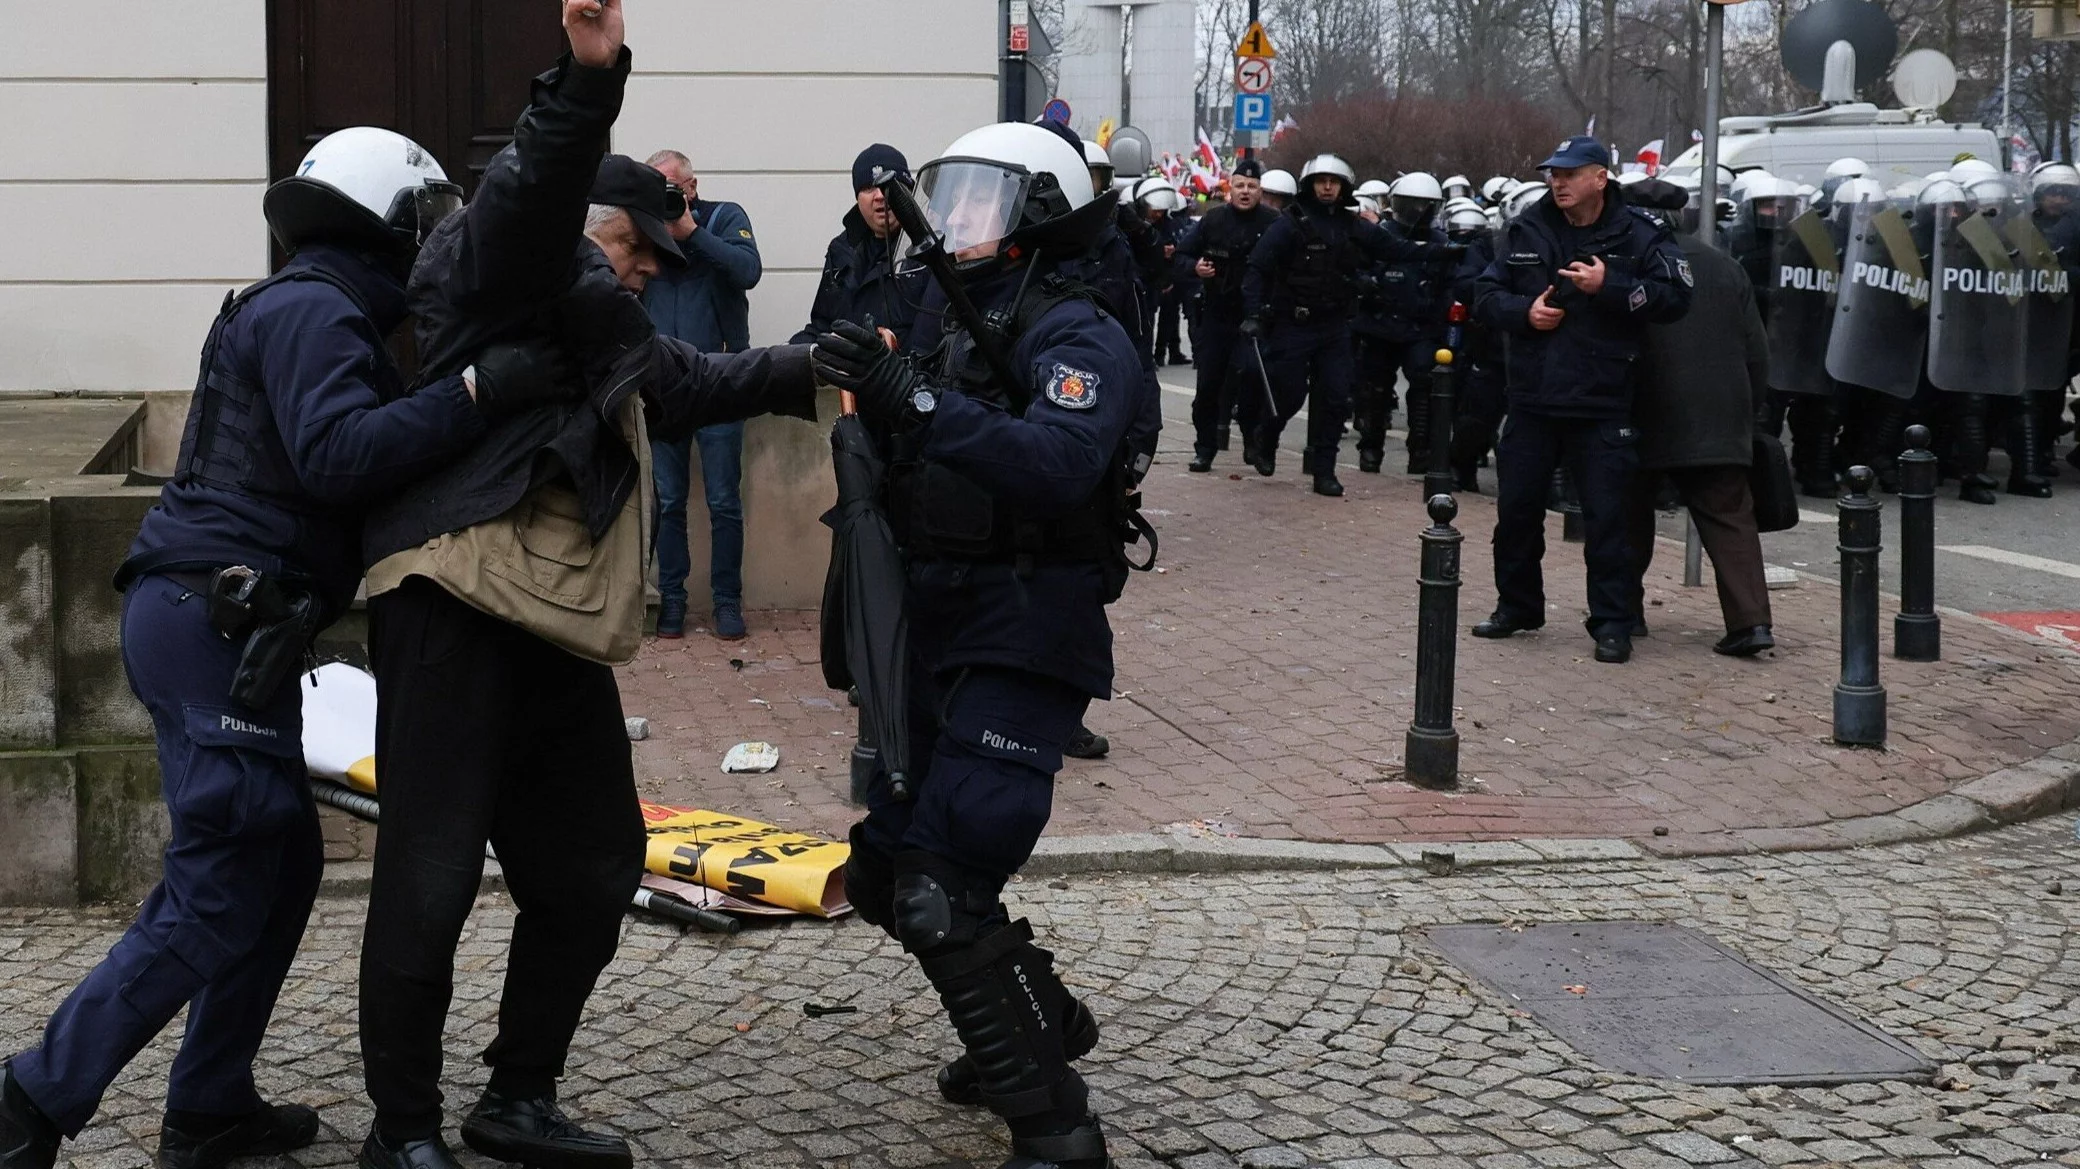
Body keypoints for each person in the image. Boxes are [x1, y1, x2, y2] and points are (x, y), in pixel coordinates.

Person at [0, 126, 526, 1169]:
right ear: (388, 225)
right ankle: (28, 1098)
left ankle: (206, 1105)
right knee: (224, 874)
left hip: (230, 621)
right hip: (216, 621)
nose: (434, 253)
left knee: (279, 867)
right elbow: (338, 456)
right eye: (425, 228)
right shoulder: (314, 309)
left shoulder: (314, 307)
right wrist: (474, 394)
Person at [353, 6, 820, 1169]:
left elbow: (688, 377)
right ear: (592, 227)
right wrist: (587, 79)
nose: (656, 271)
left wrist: (818, 363)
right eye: (642, 251)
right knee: (430, 875)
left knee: (596, 860)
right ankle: (401, 1132)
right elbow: (529, 192)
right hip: (456, 596)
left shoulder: (602, 320)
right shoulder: (496, 259)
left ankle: (516, 1096)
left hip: (549, 619)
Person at [811, 120, 1142, 1169]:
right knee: (883, 868)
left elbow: (1055, 460)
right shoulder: (943, 316)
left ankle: (1054, 1120)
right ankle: (1039, 1026)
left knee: (942, 874)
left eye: (977, 202)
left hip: (1028, 614)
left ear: (1034, 215)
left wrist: (919, 401)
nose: (951, 221)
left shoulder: (1076, 330)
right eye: (944, 199)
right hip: (938, 615)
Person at [1468, 135, 1692, 664]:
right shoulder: (1527, 227)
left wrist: (1608, 284)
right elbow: (1482, 294)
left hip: (1603, 400)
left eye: (1570, 173)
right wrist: (1524, 312)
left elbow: (1677, 297)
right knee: (1517, 511)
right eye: (1554, 173)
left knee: (1608, 520)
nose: (1558, 182)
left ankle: (1613, 623)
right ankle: (1518, 606)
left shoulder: (1641, 232)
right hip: (1533, 397)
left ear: (1600, 177)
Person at [1242, 153, 1459, 496]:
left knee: (1335, 397)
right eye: (1321, 181)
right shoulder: (1289, 223)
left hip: (1334, 325)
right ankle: (1266, 435)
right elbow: (1257, 267)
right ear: (1310, 185)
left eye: (1334, 182)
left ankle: (1325, 471)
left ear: (1344, 186)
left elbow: (1396, 249)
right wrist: (1253, 314)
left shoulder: (1352, 224)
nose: (1327, 187)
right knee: (1290, 393)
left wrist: (1444, 253)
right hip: (1294, 323)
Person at [1625, 180, 1775, 656]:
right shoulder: (1724, 266)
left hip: (1641, 410)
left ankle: (1623, 612)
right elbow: (1757, 351)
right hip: (1719, 414)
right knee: (1730, 518)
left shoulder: (1618, 265)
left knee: (1625, 514)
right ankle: (1751, 623)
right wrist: (1749, 412)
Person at [643, 148, 764, 639]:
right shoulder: (643, 231)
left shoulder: (724, 217)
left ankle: (727, 602)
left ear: (692, 187)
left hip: (719, 379)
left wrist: (692, 232)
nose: (666, 198)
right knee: (668, 501)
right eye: (657, 190)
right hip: (663, 383)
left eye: (672, 187)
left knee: (723, 501)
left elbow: (748, 271)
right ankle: (672, 598)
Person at [1174, 158, 1279, 472]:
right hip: (1217, 316)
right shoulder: (1213, 220)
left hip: (1256, 319)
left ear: (1260, 191)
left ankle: (1252, 440)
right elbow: (1182, 255)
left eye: (1252, 186)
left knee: (1252, 381)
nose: (1245, 191)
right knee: (1208, 386)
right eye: (1240, 185)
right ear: (1229, 188)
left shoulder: (1274, 223)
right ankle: (1205, 448)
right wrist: (1195, 268)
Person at [791, 143, 924, 348]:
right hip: (847, 374)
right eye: (869, 188)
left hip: (906, 376)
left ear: (908, 191)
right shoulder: (841, 250)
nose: (880, 196)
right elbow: (822, 326)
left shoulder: (928, 250)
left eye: (889, 184)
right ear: (857, 199)